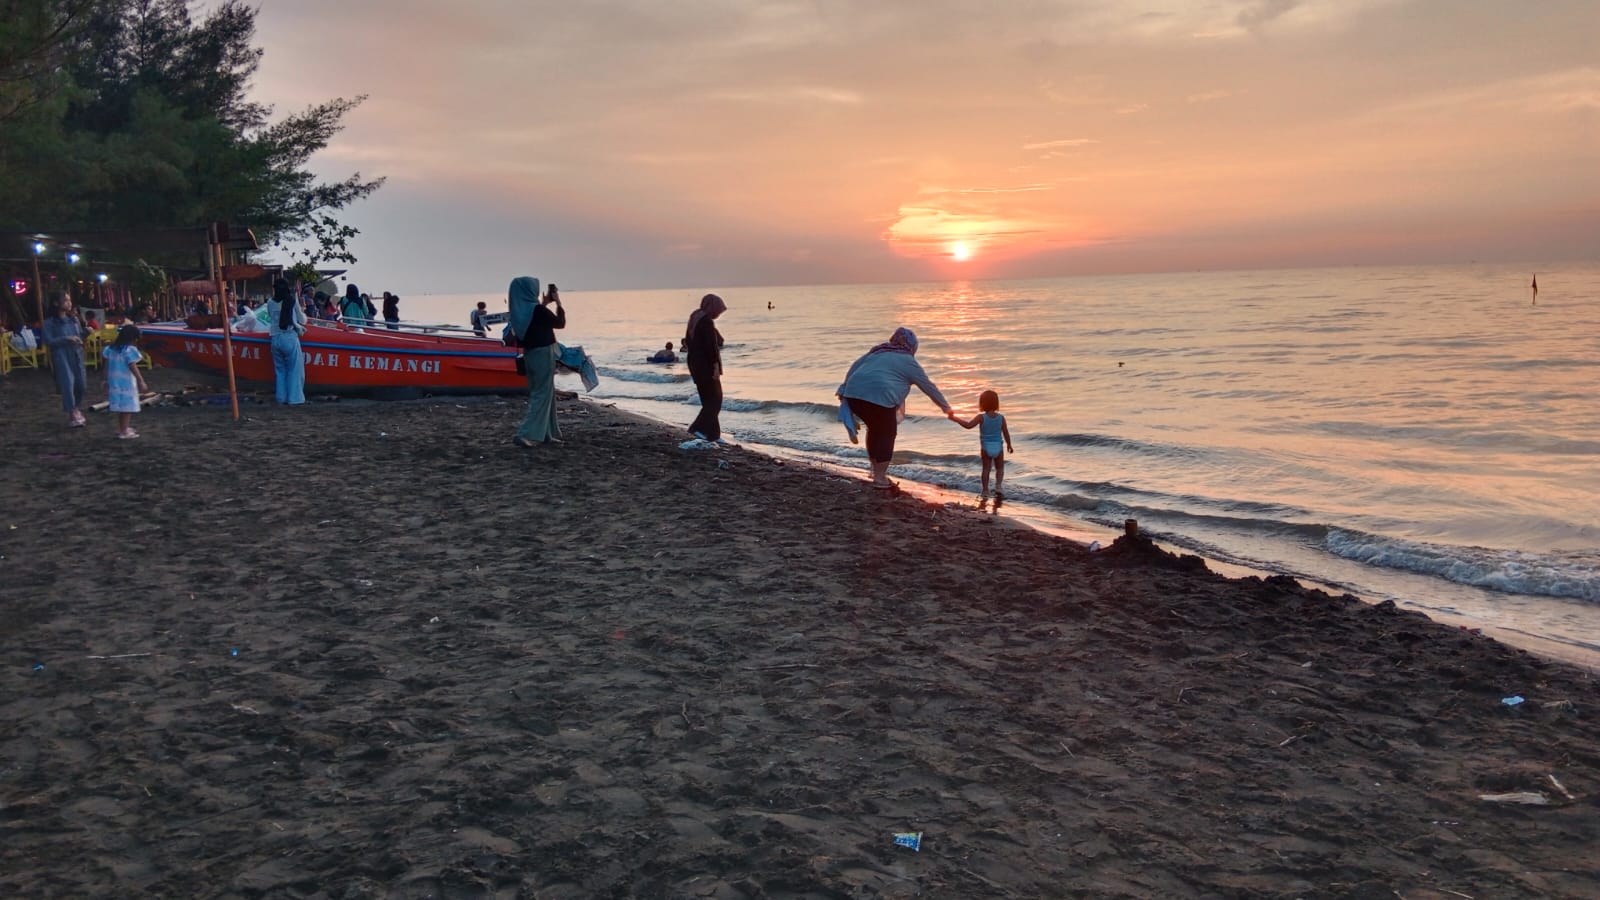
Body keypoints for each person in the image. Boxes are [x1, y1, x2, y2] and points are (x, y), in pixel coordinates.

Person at [836, 326, 955, 490]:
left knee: (875, 429)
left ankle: (875, 472)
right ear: (912, 346)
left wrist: (844, 388)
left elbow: (854, 367)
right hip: (878, 397)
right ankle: (879, 477)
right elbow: (928, 386)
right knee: (887, 432)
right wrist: (946, 408)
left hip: (854, 395)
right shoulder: (908, 361)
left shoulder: (878, 352)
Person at [509, 277, 565, 447]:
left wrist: (545, 303)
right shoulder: (538, 310)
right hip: (543, 353)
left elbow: (535, 321)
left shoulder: (520, 311)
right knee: (542, 394)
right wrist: (558, 303)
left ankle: (546, 433)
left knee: (544, 393)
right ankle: (526, 433)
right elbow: (560, 323)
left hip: (530, 355)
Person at [953, 390, 1015, 499]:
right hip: (998, 447)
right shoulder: (1001, 418)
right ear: (996, 403)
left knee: (986, 469)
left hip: (986, 447)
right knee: (999, 468)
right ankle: (998, 487)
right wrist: (1009, 445)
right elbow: (1005, 432)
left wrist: (957, 419)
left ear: (982, 404)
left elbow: (968, 425)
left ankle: (985, 490)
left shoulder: (981, 417)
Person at [685, 293, 727, 442]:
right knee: (715, 400)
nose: (718, 314)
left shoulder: (695, 317)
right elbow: (711, 347)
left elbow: (688, 342)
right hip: (706, 365)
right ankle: (697, 428)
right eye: (718, 311)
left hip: (694, 364)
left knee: (708, 399)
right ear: (712, 307)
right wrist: (715, 367)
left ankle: (713, 435)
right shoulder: (706, 322)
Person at [41, 294, 89, 427]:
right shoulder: (49, 322)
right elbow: (48, 341)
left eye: (70, 300)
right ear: (56, 303)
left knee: (81, 385)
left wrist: (86, 332)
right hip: (61, 355)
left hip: (76, 353)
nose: (69, 303)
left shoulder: (73, 320)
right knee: (68, 384)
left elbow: (78, 336)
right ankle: (72, 412)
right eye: (66, 300)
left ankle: (76, 407)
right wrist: (66, 339)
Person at [102, 325, 149, 439]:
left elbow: (106, 366)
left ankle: (123, 427)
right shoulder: (130, 350)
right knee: (127, 407)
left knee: (121, 407)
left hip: (114, 382)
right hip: (126, 382)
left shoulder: (110, 349)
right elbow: (132, 366)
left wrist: (104, 380)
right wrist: (141, 381)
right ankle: (124, 431)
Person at [268, 279, 307, 404]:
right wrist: (302, 308)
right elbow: (302, 320)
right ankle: (294, 399)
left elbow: (270, 316)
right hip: (289, 337)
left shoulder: (270, 302)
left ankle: (281, 397)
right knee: (294, 370)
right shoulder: (292, 301)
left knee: (280, 370)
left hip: (275, 338)